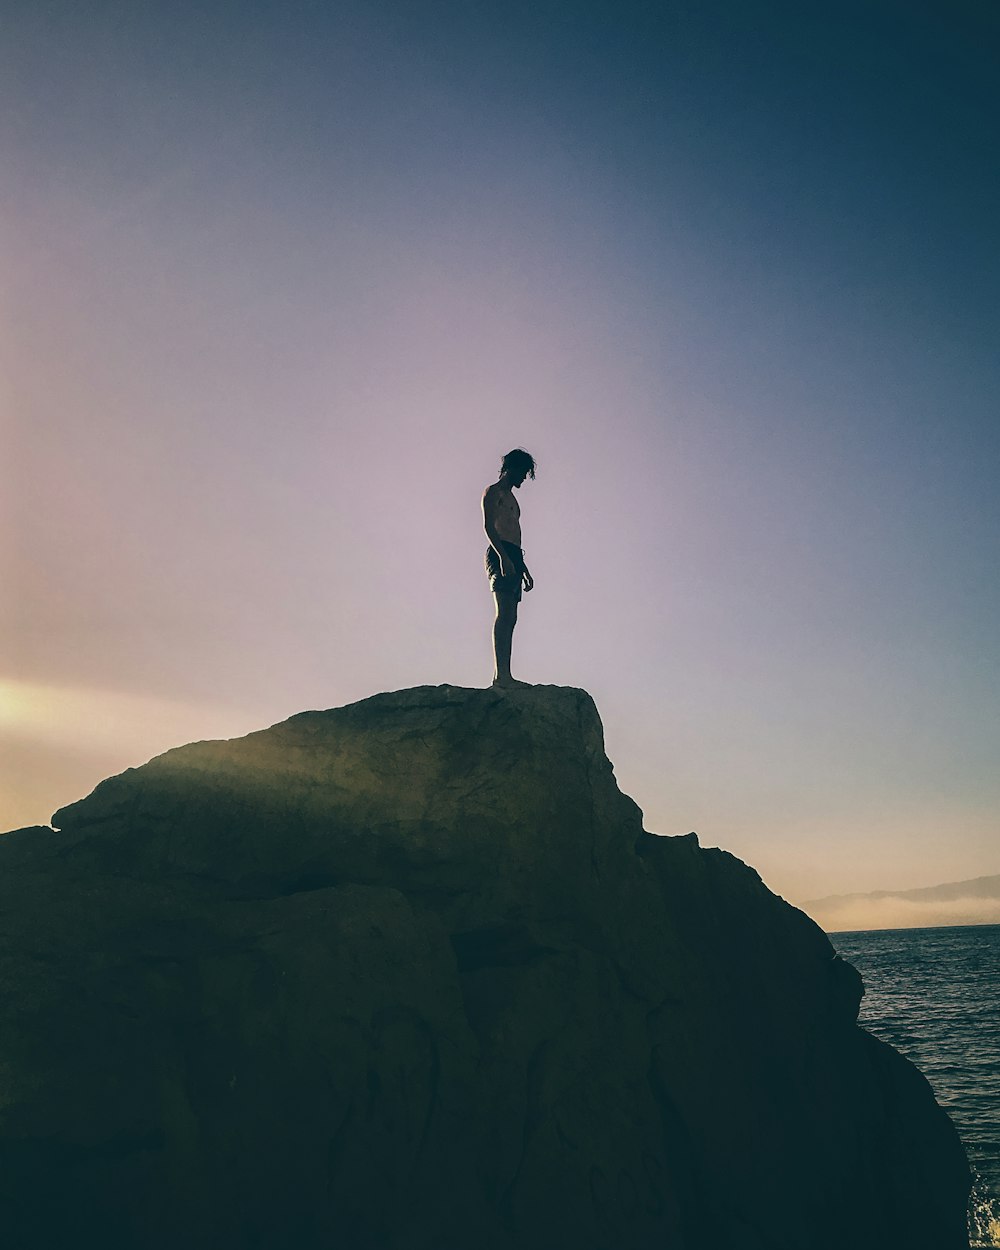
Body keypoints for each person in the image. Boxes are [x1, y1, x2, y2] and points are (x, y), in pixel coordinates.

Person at [482, 448, 535, 687]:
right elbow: (490, 528)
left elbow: (516, 535)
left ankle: (505, 675)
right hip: (499, 551)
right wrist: (503, 557)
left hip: (514, 555)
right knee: (504, 614)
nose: (524, 477)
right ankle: (501, 676)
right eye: (522, 472)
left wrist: (523, 568)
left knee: (512, 617)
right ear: (510, 468)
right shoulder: (494, 492)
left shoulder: (514, 502)